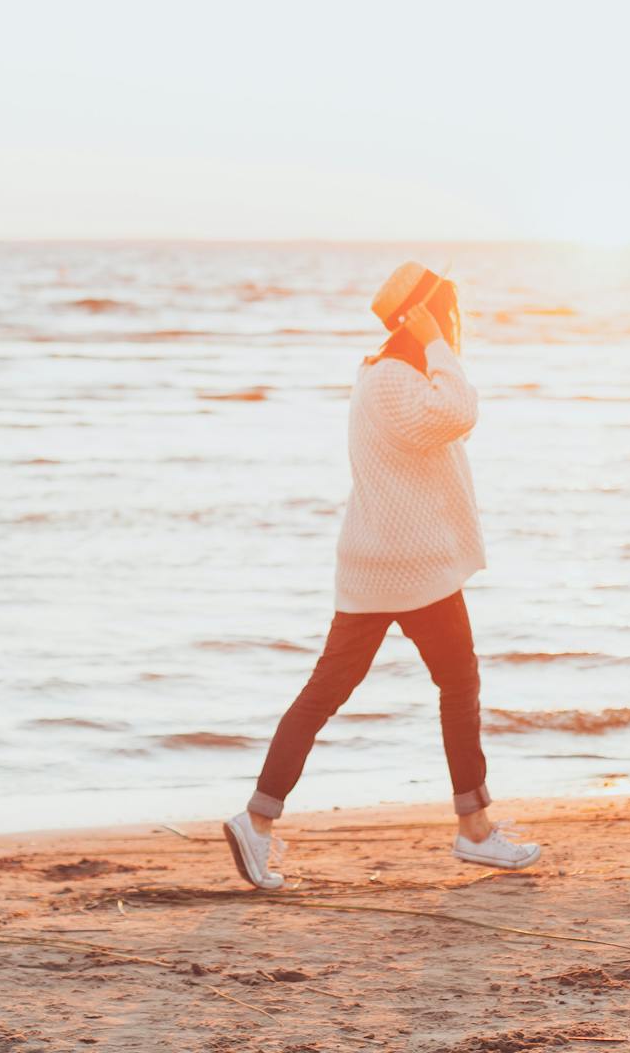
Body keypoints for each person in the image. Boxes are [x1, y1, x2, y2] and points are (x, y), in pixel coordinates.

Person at [221, 260, 542, 890]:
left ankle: (257, 821)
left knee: (326, 692)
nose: (454, 322)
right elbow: (459, 412)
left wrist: (432, 348)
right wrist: (437, 342)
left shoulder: (381, 373)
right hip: (413, 568)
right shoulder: (396, 377)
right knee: (458, 685)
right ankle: (475, 830)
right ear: (423, 316)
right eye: (445, 311)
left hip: (377, 565)